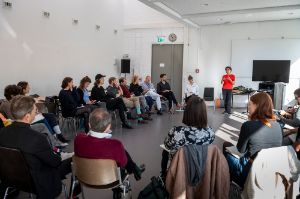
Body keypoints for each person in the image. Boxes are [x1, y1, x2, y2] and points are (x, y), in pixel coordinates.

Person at [0, 96, 74, 199]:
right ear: (27, 116)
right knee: (73, 161)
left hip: (12, 179)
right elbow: (55, 162)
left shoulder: (2, 133)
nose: (36, 112)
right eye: (35, 110)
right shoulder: (37, 138)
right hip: (37, 182)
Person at [74, 108, 145, 197]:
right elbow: (123, 163)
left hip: (84, 178)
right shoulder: (115, 144)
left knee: (120, 151)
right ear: (109, 127)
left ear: (89, 125)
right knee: (121, 154)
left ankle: (135, 169)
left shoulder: (78, 139)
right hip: (110, 180)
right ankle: (135, 170)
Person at [223, 92, 282, 187]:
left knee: (226, 145)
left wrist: (249, 122)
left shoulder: (248, 125)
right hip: (271, 171)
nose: (248, 108)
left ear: (257, 106)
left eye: (250, 105)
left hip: (250, 173)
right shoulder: (278, 125)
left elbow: (240, 150)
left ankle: (229, 184)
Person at [161, 96, 215, 180]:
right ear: (204, 113)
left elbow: (167, 145)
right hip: (201, 171)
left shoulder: (176, 132)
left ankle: (163, 175)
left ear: (187, 112)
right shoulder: (210, 133)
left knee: (165, 151)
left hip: (179, 173)